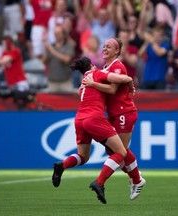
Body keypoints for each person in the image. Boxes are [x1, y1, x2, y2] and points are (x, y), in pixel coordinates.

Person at [51, 56, 133, 204]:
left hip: (79, 120)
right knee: (121, 152)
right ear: (91, 65)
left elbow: (79, 92)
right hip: (94, 118)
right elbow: (120, 79)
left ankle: (62, 165)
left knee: (83, 157)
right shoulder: (96, 73)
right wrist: (129, 79)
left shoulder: (82, 85)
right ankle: (99, 182)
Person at [84, 37, 146, 200]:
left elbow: (112, 90)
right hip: (114, 114)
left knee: (120, 151)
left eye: (109, 47)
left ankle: (108, 181)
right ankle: (137, 178)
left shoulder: (118, 66)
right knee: (113, 150)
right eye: (104, 46)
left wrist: (92, 84)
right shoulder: (105, 67)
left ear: (117, 51)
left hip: (124, 112)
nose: (104, 48)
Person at [42, 25, 75, 93]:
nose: (56, 35)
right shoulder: (52, 46)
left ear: (63, 34)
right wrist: (46, 51)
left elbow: (67, 59)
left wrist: (52, 50)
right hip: (52, 82)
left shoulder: (68, 45)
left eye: (58, 33)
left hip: (65, 82)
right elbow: (44, 62)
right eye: (55, 33)